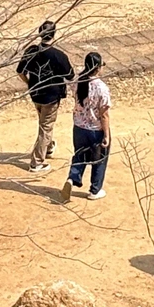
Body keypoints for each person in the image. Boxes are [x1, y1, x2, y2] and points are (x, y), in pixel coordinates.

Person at [15, 21, 73, 172]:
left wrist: (29, 84)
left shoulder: (31, 51)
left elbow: (20, 71)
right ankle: (37, 162)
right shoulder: (58, 56)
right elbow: (70, 75)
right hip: (51, 96)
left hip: (35, 94)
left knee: (44, 123)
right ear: (54, 34)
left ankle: (47, 147)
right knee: (45, 127)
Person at [64, 51, 112, 201]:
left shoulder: (78, 81)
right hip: (95, 129)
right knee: (99, 160)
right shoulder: (101, 88)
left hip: (79, 127)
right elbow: (104, 114)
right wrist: (106, 134)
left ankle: (72, 178)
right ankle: (95, 190)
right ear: (98, 68)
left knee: (79, 155)